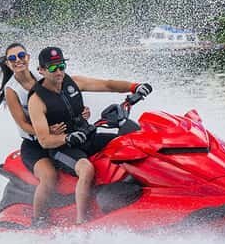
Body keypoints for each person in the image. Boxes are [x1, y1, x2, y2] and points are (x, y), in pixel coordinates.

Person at [27, 46, 153, 225]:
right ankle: (82, 221)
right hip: (62, 147)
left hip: (87, 137)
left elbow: (107, 85)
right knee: (86, 168)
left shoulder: (74, 82)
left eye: (61, 66)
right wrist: (67, 138)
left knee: (128, 143)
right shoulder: (37, 100)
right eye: (53, 68)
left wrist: (135, 86)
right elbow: (45, 140)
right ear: (41, 70)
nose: (59, 71)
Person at [0, 42, 68, 225]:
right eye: (12, 58)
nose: (18, 60)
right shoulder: (11, 90)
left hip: (57, 137)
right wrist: (45, 131)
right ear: (8, 64)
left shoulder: (42, 76)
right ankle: (39, 219)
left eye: (21, 56)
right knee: (49, 176)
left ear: (28, 57)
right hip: (34, 145)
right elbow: (23, 124)